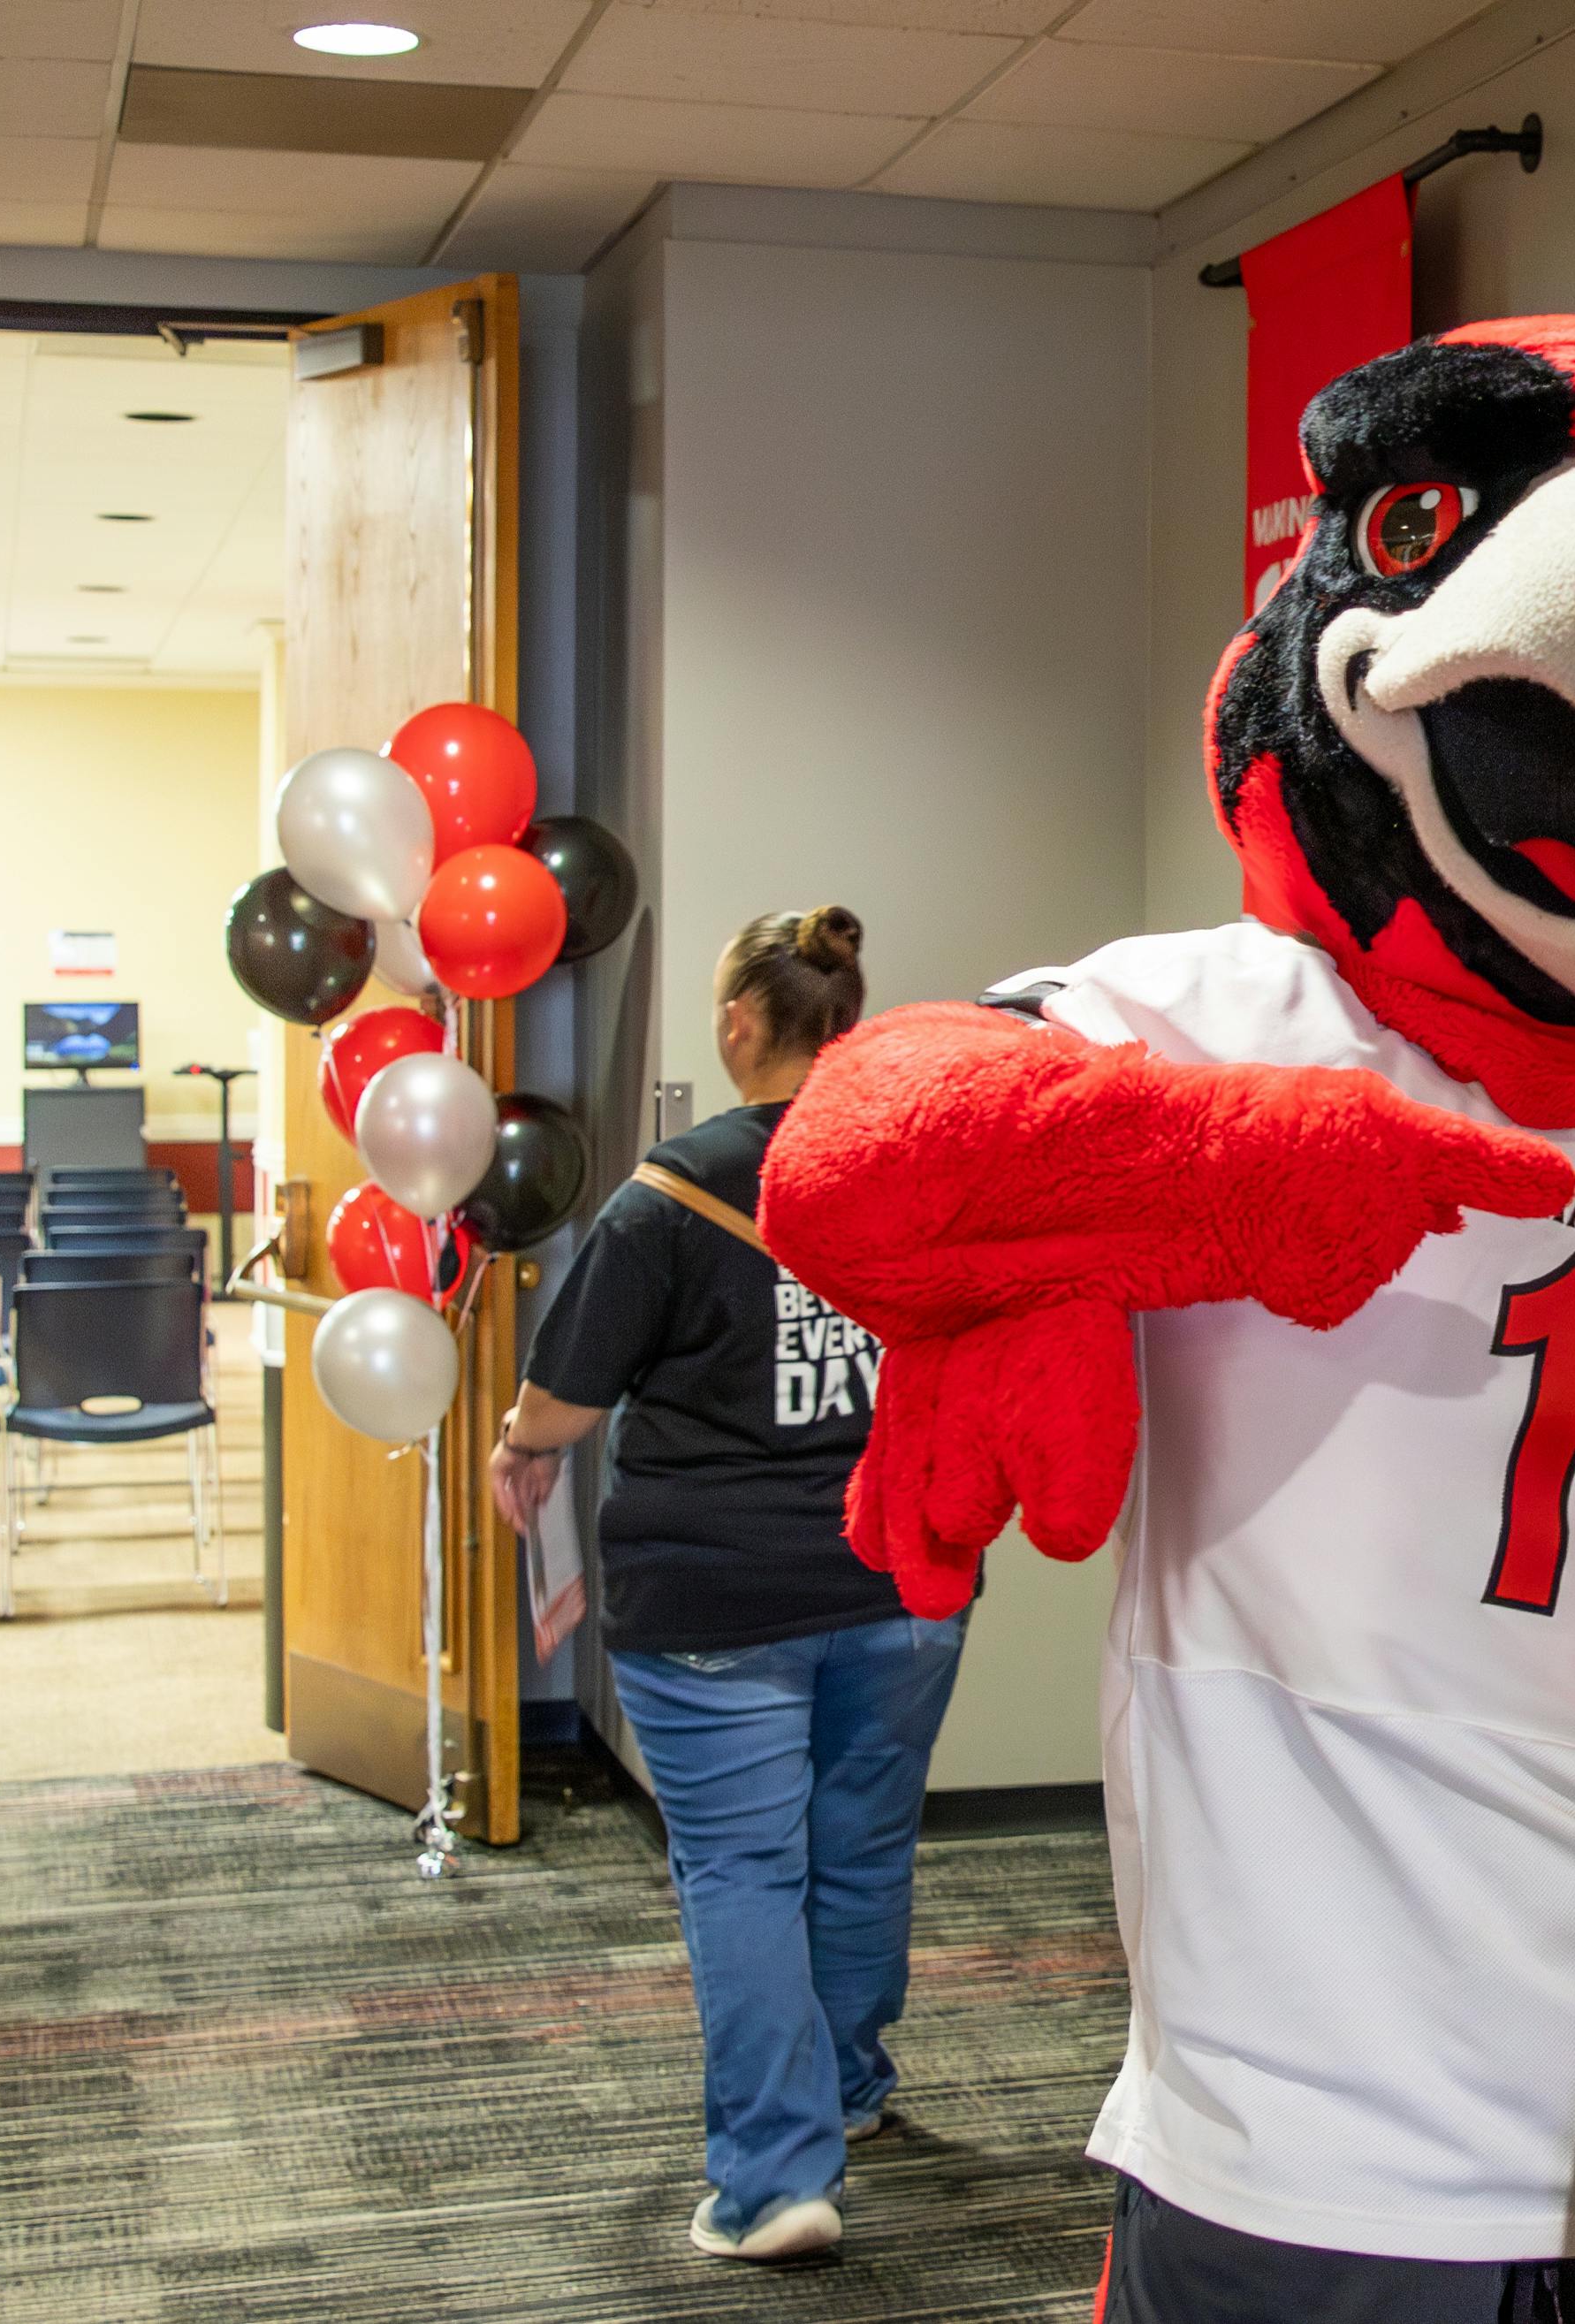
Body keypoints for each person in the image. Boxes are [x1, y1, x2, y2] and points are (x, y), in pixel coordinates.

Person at [490, 905, 959, 2267]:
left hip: (717, 1609)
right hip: (905, 1576)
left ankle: (773, 2179)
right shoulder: (921, 1177)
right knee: (862, 1843)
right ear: (849, 1025)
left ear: (742, 1021)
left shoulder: (668, 1194)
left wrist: (517, 1451)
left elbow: (562, 1404)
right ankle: (855, 2091)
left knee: (745, 1870)